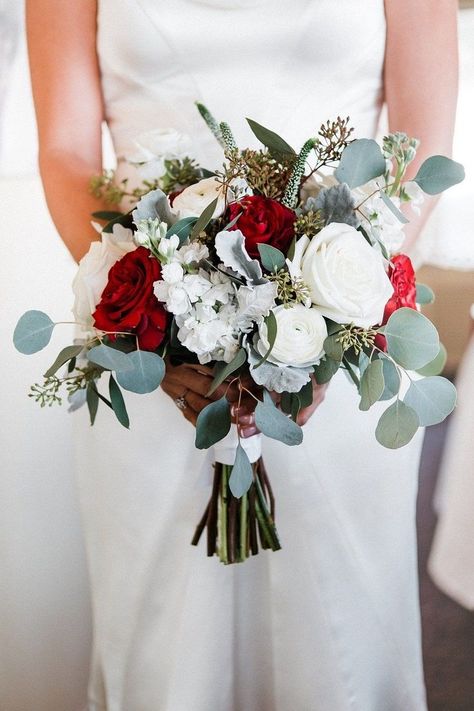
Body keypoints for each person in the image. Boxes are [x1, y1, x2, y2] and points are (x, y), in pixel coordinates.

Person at [26, 1, 458, 709]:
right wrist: (151, 321)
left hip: (340, 358)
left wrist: (334, 310)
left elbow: (419, 144)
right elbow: (66, 152)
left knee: (339, 644)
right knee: (162, 647)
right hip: (149, 363)